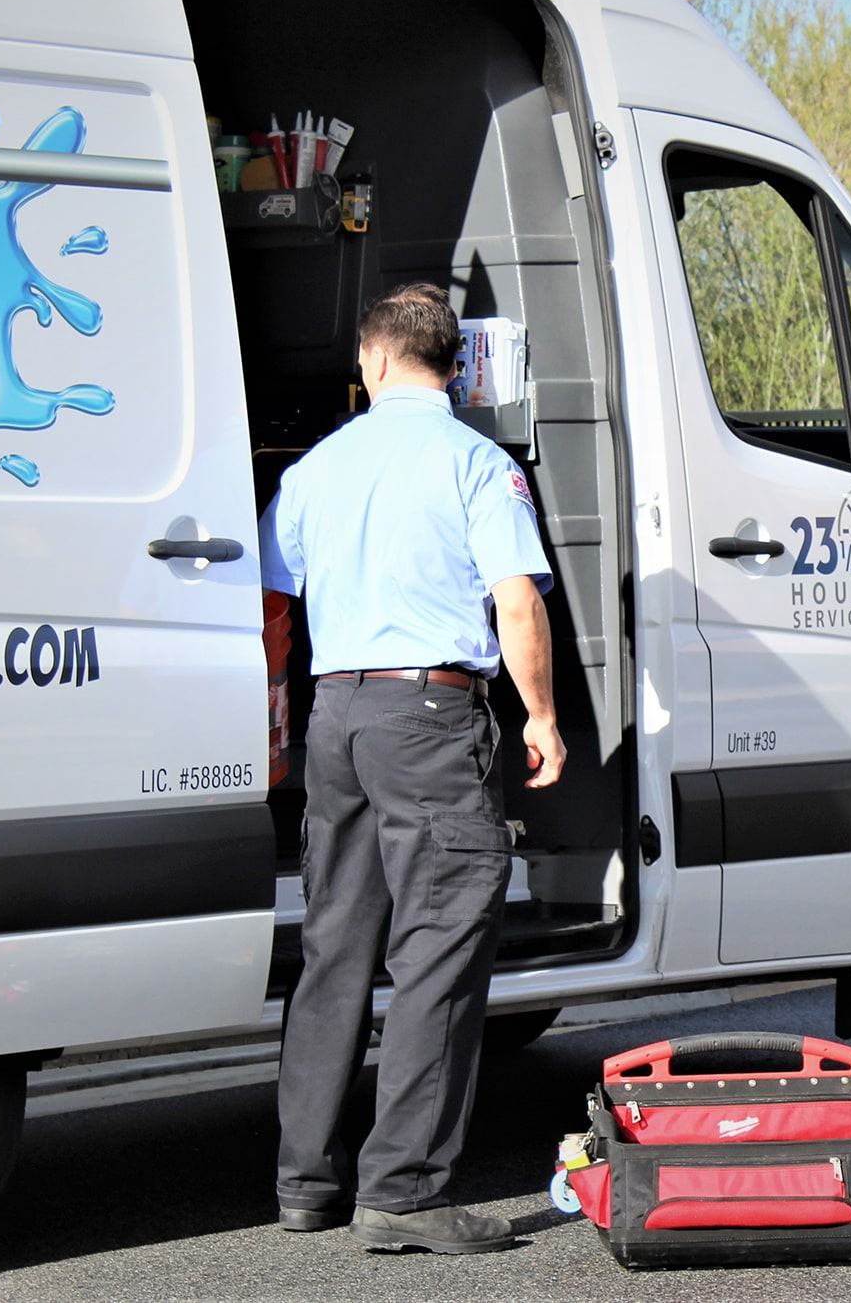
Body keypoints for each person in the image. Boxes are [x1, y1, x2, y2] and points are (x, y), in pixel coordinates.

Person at [259, 282, 563, 1254]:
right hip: (429, 717)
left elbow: (274, 599)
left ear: (374, 359)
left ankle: (305, 1181)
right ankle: (403, 1192)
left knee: (335, 948)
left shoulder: (316, 467)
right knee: (437, 942)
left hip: (336, 713)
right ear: (455, 366)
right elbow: (517, 603)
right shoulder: (475, 463)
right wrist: (543, 717)